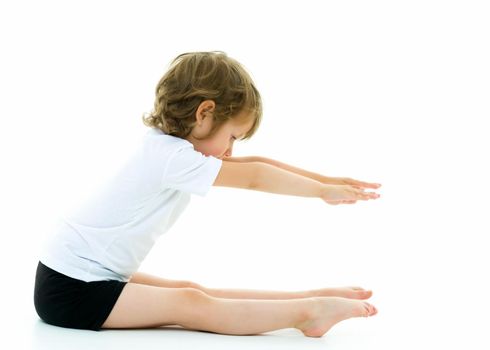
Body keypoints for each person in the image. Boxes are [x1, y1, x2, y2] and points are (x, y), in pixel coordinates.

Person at [34, 51, 382, 337]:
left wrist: (328, 179)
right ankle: (306, 314)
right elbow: (254, 177)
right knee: (189, 302)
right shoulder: (171, 158)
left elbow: (255, 164)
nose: (230, 151)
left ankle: (309, 298)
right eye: (232, 136)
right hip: (72, 290)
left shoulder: (167, 149)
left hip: (82, 275)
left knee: (190, 288)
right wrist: (322, 191)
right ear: (205, 113)